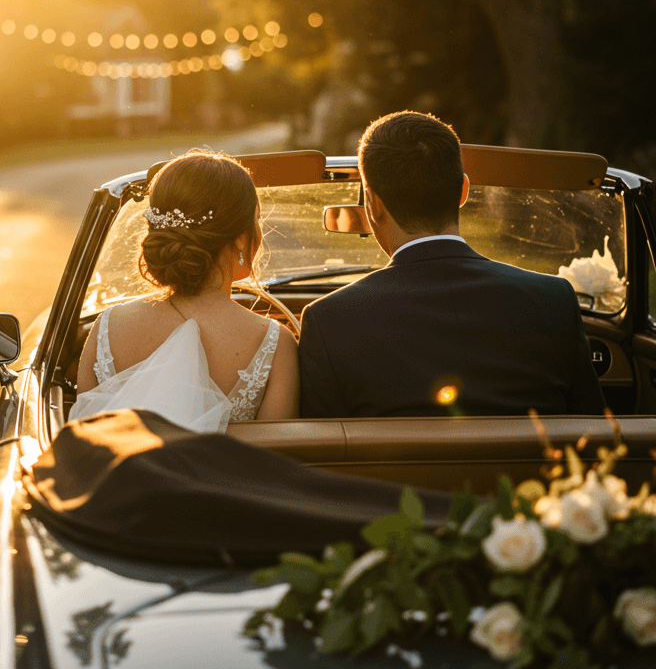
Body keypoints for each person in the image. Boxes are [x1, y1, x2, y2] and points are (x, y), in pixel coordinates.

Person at [298, 111, 607, 419]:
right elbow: (595, 433)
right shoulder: (554, 300)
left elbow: (319, 456)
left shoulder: (329, 322)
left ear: (373, 204)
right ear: (463, 191)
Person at [73, 149, 300, 431]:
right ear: (242, 240)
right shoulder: (275, 343)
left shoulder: (107, 327)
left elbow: (83, 444)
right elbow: (274, 461)